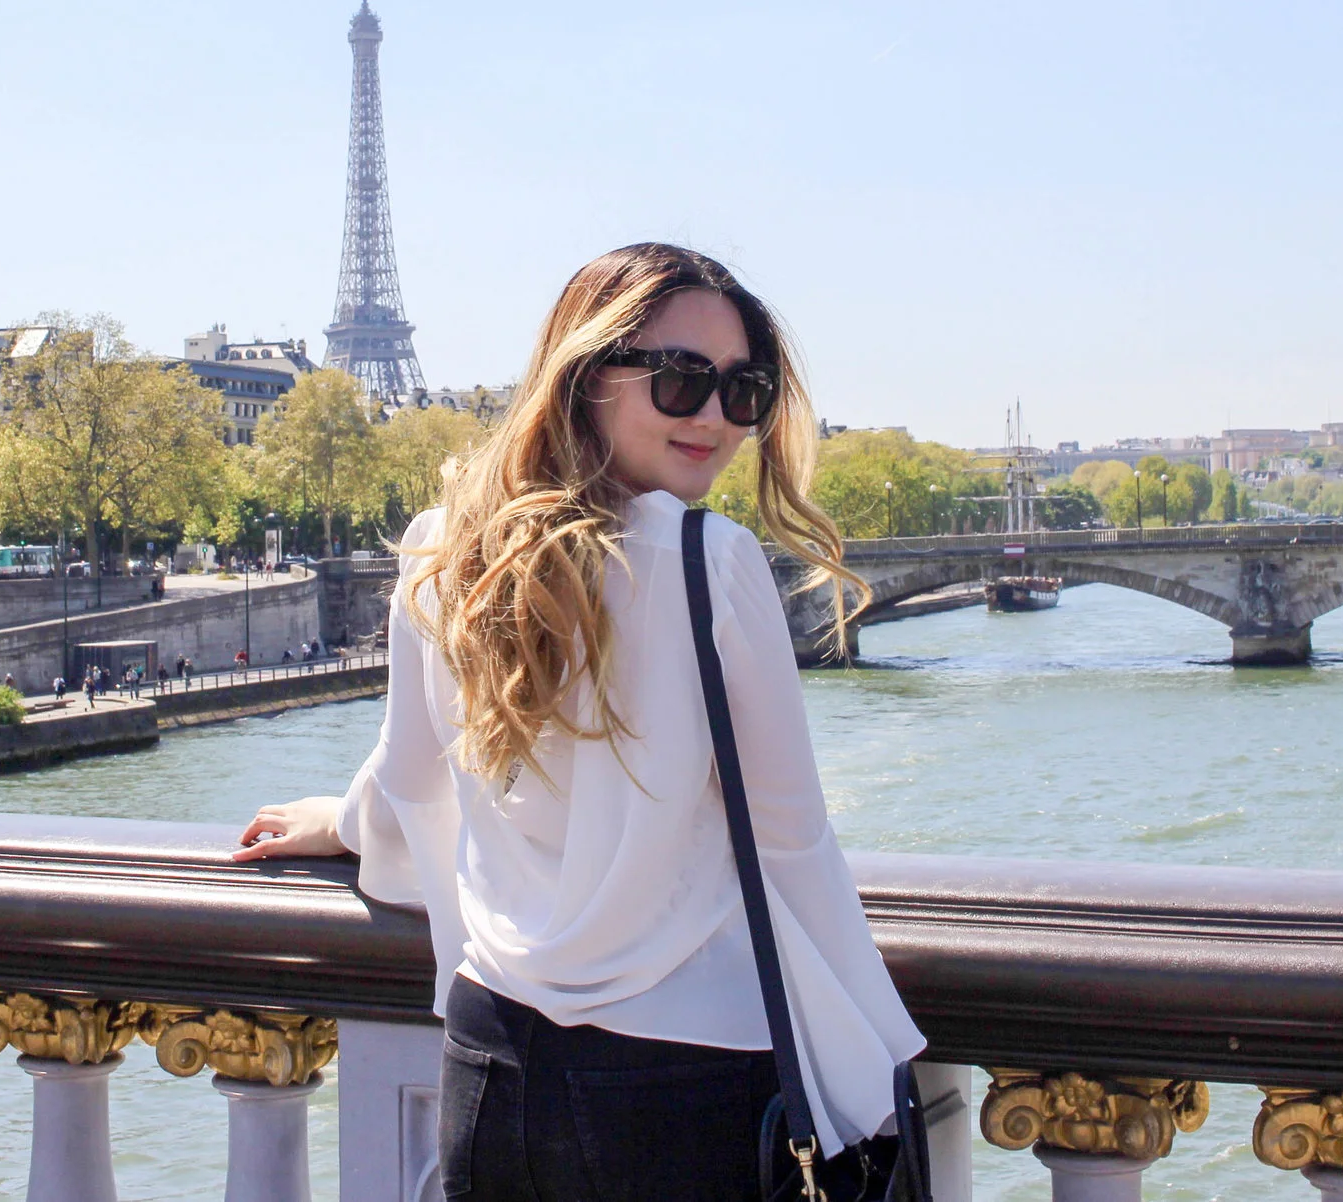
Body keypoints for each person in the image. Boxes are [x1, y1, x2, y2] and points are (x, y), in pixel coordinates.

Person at [235, 243, 923, 1200]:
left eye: (745, 391)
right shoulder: (712, 561)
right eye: (681, 380)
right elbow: (793, 846)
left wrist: (342, 826)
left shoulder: (446, 544)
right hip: (688, 1087)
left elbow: (413, 783)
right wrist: (880, 1068)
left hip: (492, 1063)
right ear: (587, 374)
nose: (716, 418)